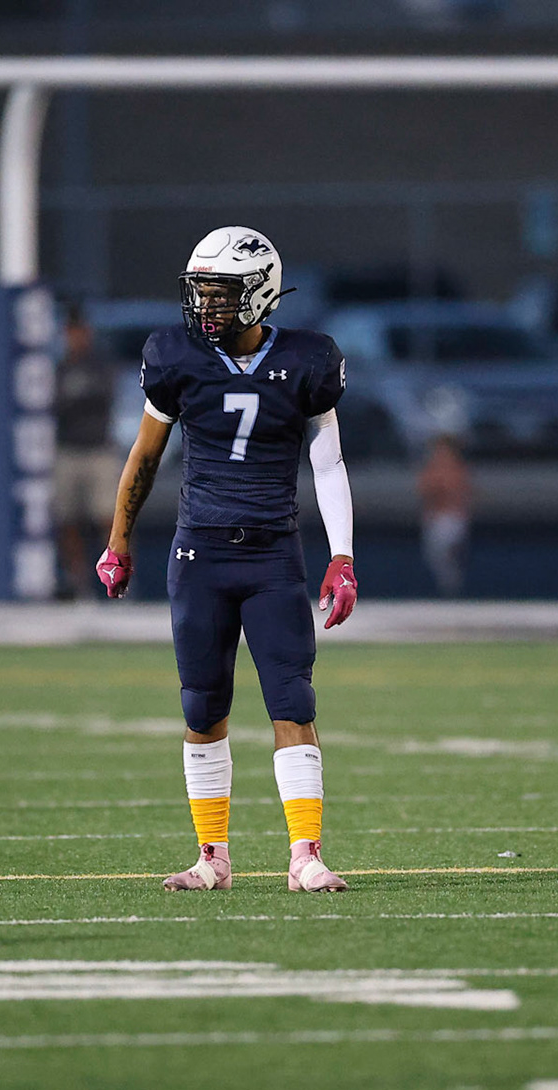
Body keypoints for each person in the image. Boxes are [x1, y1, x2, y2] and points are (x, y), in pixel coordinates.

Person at [96, 226, 358, 893]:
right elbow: (145, 454)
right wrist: (118, 539)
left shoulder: (306, 360)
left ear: (261, 292)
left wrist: (343, 556)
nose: (206, 304)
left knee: (293, 701)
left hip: (273, 553)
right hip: (200, 552)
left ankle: (304, 855)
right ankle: (212, 857)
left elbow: (328, 464)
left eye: (221, 292)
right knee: (202, 706)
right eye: (202, 291)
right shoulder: (176, 356)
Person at [51, 305, 119, 598]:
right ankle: (78, 582)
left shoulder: (100, 364)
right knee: (67, 519)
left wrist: (72, 400)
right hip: (67, 449)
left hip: (98, 449)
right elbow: (53, 404)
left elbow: (100, 398)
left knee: (110, 518)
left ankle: (119, 576)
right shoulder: (59, 366)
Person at [417, 432, 472, 597]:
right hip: (435, 519)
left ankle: (454, 587)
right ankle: (444, 588)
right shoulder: (431, 470)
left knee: (449, 553)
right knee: (434, 556)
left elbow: (464, 494)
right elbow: (424, 491)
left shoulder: (458, 469)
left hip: (453, 519)